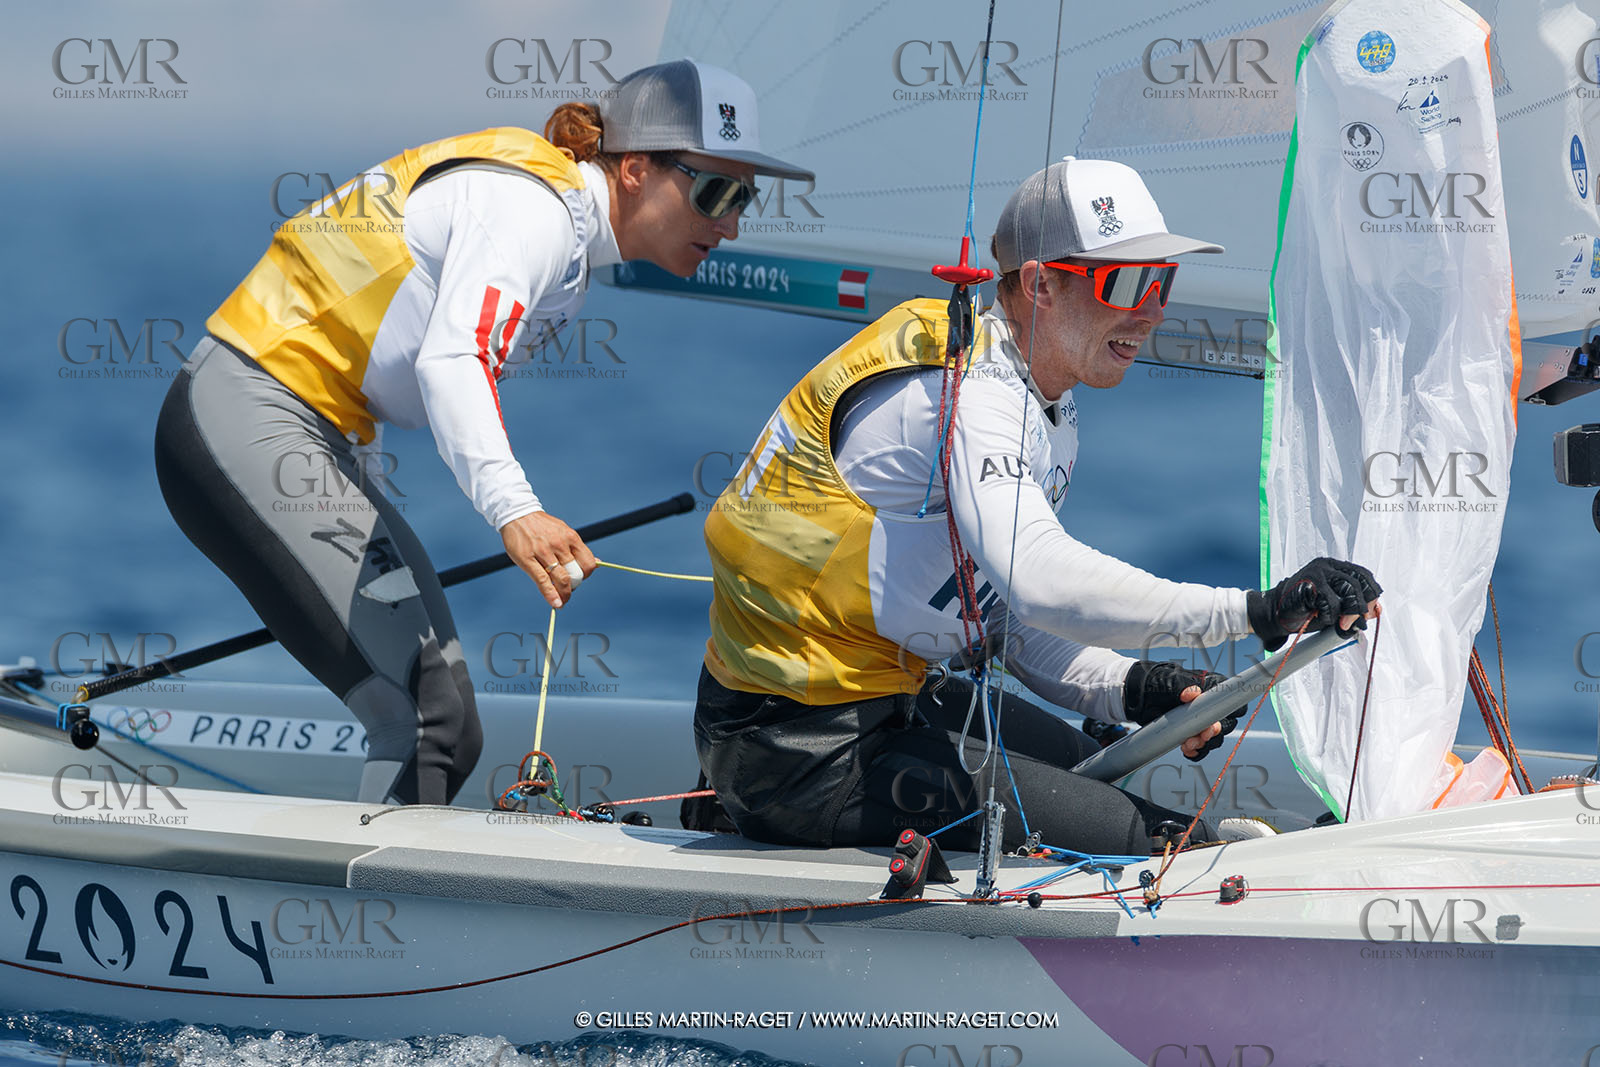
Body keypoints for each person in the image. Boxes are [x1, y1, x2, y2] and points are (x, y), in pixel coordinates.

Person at [155, 60, 813, 806]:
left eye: (745, 197)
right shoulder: (534, 213)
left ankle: (380, 864)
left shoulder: (564, 239)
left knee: (450, 726)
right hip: (245, 415)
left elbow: (391, 362)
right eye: (716, 191)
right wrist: (516, 511)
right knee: (427, 720)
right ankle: (367, 885)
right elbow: (452, 359)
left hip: (306, 429)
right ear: (635, 169)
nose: (730, 223)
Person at [692, 158, 1381, 855]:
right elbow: (1038, 581)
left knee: (1102, 775)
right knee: (1163, 844)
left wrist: (1137, 685)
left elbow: (998, 618)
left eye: (1163, 281)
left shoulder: (1044, 398)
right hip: (799, 749)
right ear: (1040, 284)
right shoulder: (974, 391)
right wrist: (1256, 612)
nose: (1151, 311)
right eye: (1126, 282)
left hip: (889, 696)